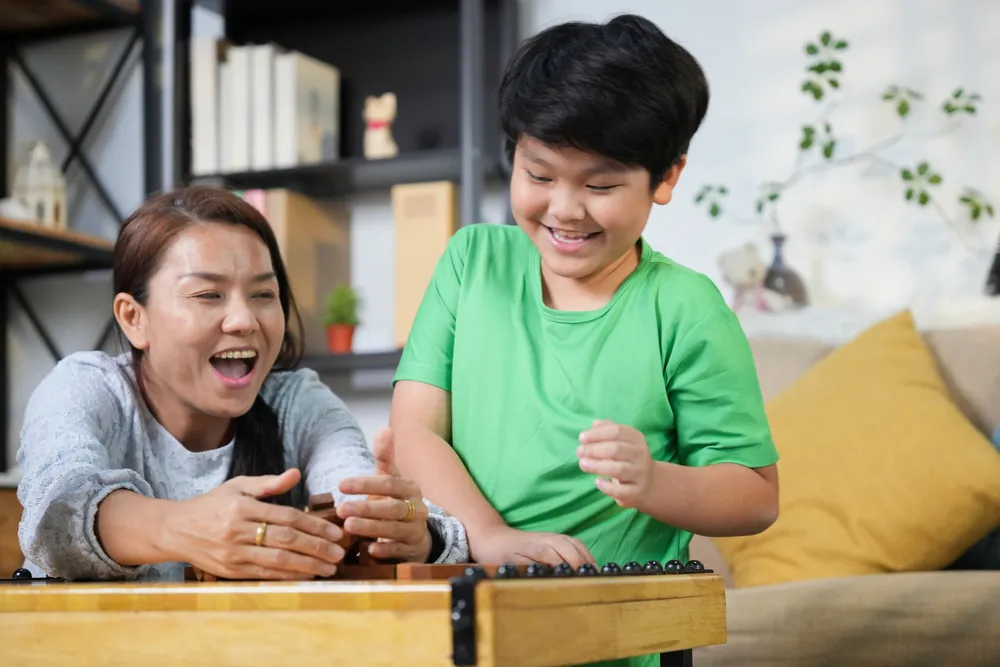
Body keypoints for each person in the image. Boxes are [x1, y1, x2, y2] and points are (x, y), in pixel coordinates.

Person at [390, 10, 778, 627]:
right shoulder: (471, 262)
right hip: (465, 611)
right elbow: (415, 430)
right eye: (539, 174)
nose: (565, 209)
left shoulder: (685, 307)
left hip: (612, 631)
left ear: (666, 177)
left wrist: (654, 482)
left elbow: (755, 496)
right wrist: (489, 537)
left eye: (600, 187)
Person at [15, 185, 468, 582]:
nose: (244, 320)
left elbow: (349, 487)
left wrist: (401, 530)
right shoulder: (85, 389)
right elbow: (58, 510)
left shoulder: (297, 404)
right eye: (208, 295)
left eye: (263, 295)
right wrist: (184, 528)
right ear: (134, 318)